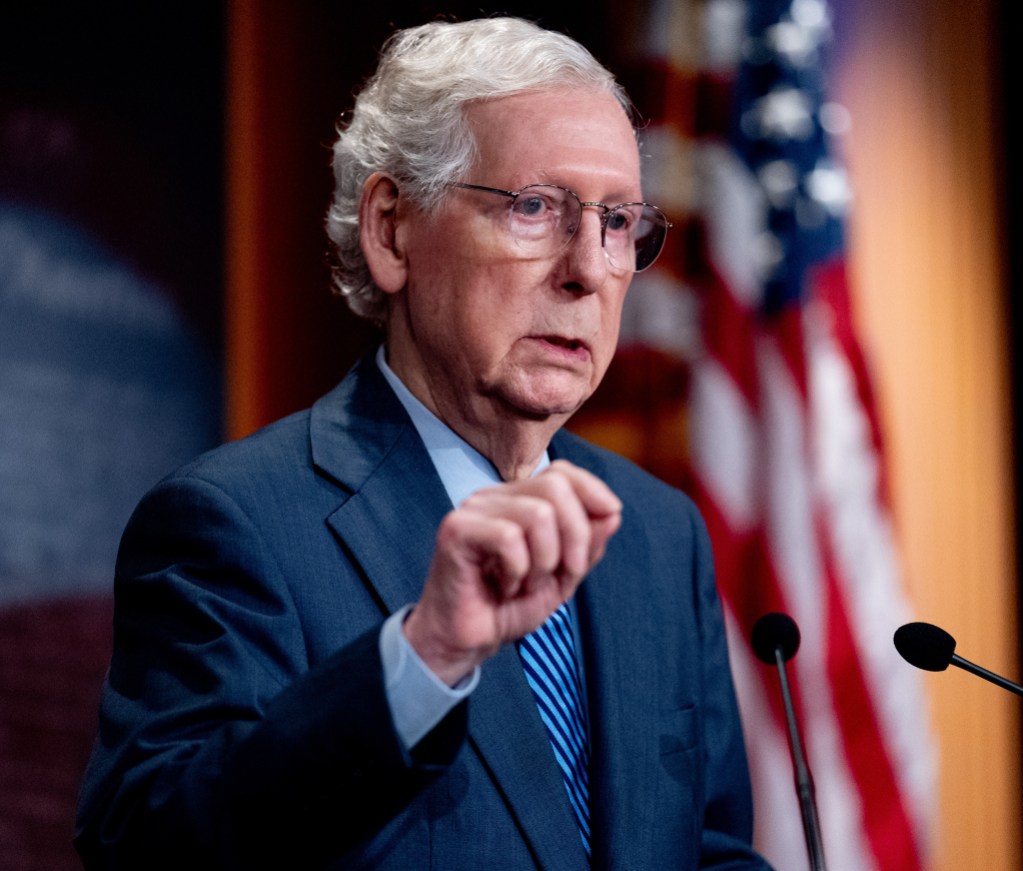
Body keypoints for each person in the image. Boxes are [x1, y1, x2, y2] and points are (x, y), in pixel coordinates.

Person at [75, 16, 772, 870]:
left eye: (619, 221)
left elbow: (708, 849)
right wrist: (425, 658)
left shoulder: (657, 533)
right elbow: (152, 846)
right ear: (392, 229)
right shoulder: (235, 523)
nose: (588, 268)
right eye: (534, 207)